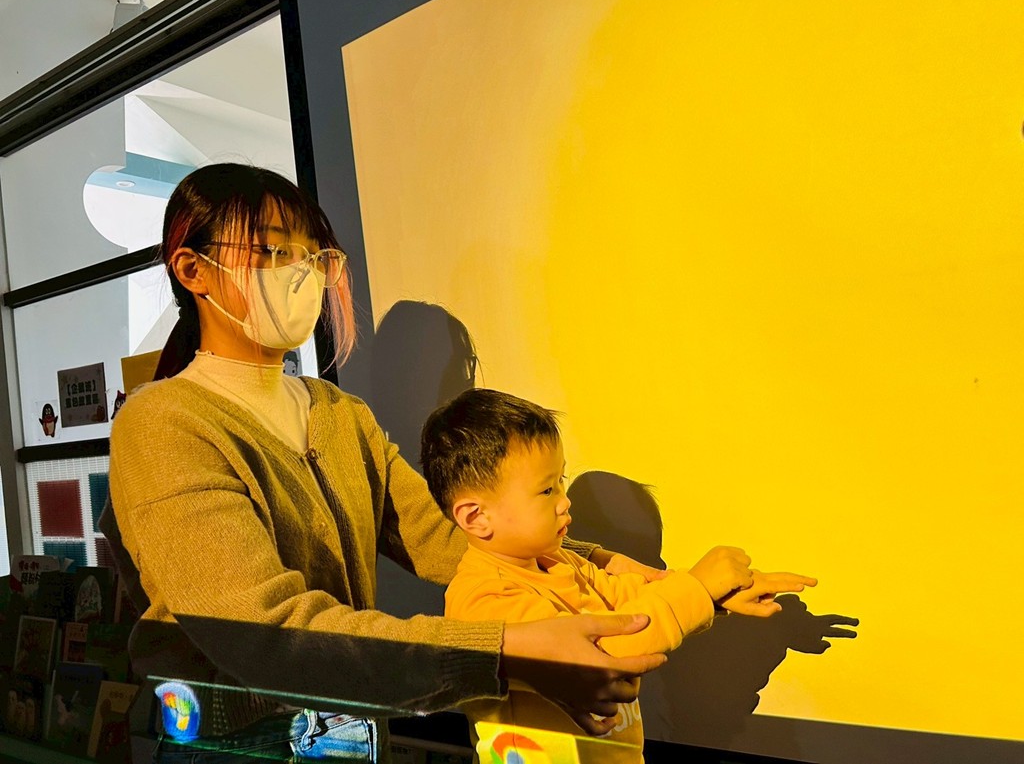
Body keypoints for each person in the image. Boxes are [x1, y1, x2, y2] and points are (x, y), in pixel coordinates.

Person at [101, 163, 672, 762]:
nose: (300, 272)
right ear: (193, 269)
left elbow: (452, 539)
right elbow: (261, 630)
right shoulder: (164, 422)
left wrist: (612, 568)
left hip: (353, 725)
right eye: (274, 250)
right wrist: (505, 653)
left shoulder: (341, 414)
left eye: (312, 255)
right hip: (239, 742)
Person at [420, 388, 816, 762]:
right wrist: (697, 587)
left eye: (561, 481)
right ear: (477, 517)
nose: (564, 502)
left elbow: (628, 597)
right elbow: (605, 654)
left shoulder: (560, 562)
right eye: (546, 491)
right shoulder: (484, 599)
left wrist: (718, 593)